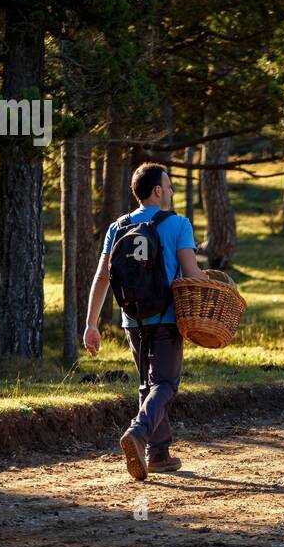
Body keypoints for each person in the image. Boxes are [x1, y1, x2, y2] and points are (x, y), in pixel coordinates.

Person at [84, 162, 210, 480]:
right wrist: (212, 281)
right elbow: (191, 271)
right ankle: (138, 434)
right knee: (165, 383)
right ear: (157, 190)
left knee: (147, 385)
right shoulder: (178, 224)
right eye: (168, 186)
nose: (170, 190)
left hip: (133, 317)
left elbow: (102, 277)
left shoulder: (118, 226)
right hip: (166, 317)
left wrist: (91, 323)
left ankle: (158, 455)